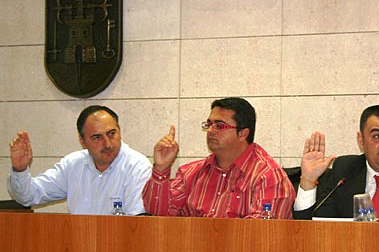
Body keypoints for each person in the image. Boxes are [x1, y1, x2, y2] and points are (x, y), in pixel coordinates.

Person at [142, 97, 294, 218]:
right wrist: (161, 168)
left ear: (243, 134)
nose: (210, 130)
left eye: (219, 126)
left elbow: (260, 235)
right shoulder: (190, 173)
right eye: (209, 124)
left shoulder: (268, 177)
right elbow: (158, 217)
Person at [7, 105, 152, 215]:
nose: (107, 144)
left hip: (119, 244)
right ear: (82, 141)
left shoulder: (137, 166)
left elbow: (136, 225)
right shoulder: (73, 165)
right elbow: (29, 196)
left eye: (111, 133)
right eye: (97, 137)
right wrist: (20, 170)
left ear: (119, 130)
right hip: (77, 243)